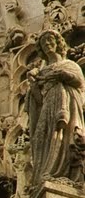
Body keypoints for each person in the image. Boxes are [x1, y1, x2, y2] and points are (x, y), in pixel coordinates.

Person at [28, 30, 85, 185]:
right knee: (42, 136)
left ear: (58, 43)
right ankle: (45, 172)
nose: (47, 44)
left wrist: (62, 74)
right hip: (49, 106)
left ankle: (64, 173)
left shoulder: (69, 65)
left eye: (50, 40)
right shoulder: (43, 72)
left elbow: (79, 82)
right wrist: (33, 86)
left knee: (64, 136)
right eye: (43, 43)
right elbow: (38, 101)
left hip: (68, 102)